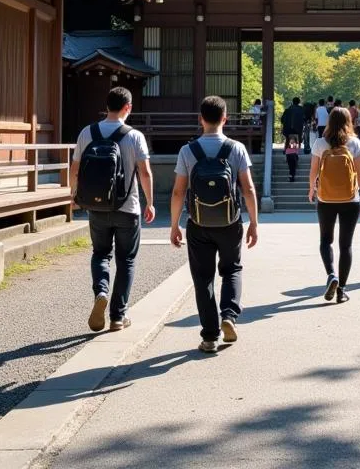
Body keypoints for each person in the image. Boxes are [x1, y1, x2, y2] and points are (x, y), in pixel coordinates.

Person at [170, 96, 259, 353]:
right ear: (225, 118)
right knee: (232, 269)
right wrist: (254, 222)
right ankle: (229, 315)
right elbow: (248, 188)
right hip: (230, 221)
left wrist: (175, 225)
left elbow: (178, 192)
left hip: (198, 223)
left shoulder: (188, 151)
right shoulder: (236, 149)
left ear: (201, 119)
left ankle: (210, 336)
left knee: (203, 278)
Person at [70, 86, 155, 333]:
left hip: (96, 206)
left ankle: (101, 291)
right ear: (127, 107)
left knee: (100, 254)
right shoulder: (134, 136)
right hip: (128, 208)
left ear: (106, 106)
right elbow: (145, 172)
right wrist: (149, 202)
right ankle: (118, 316)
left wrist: (74, 195)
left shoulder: (88, 132)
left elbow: (75, 168)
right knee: (126, 260)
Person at [309, 106, 360, 303]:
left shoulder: (320, 143)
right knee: (346, 245)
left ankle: (331, 274)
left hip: (326, 199)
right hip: (350, 199)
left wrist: (312, 189)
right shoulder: (355, 143)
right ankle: (341, 290)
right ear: (348, 121)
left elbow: (314, 171)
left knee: (326, 240)